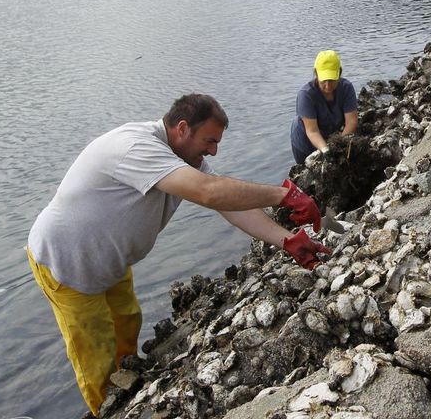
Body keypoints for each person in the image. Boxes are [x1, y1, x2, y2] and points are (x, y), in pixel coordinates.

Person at [25, 93, 330, 417]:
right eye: (209, 140)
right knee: (96, 358)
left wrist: (288, 241)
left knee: (127, 322)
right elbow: (208, 191)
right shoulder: (136, 146)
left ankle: (130, 391)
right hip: (67, 263)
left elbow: (225, 204)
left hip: (107, 260)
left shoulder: (184, 159)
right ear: (182, 128)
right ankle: (108, 411)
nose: (213, 150)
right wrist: (285, 194)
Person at [289, 50, 359, 164]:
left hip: (329, 133)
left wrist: (339, 146)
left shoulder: (346, 88)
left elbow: (351, 122)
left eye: (331, 80)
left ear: (339, 73)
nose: (327, 86)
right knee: (305, 172)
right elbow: (312, 131)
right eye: (323, 81)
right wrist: (326, 150)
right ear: (316, 74)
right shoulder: (306, 94)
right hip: (305, 139)